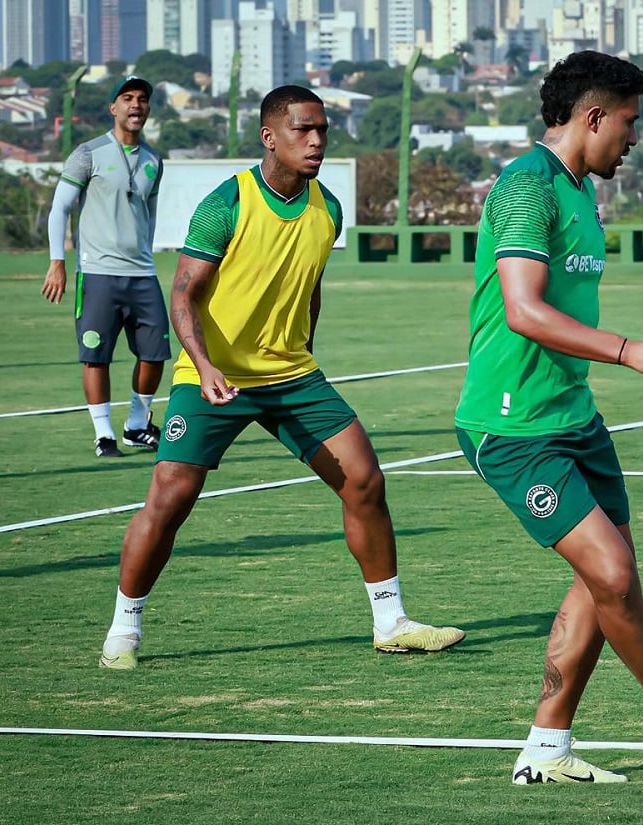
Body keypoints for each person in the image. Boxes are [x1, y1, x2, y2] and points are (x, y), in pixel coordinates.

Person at [97, 85, 464, 669]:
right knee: (171, 497)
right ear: (270, 137)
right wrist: (206, 367)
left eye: (322, 130)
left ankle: (391, 622)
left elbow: (308, 285)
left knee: (364, 479)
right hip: (214, 376)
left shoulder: (329, 208)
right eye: (302, 129)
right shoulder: (227, 203)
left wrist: (305, 352)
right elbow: (183, 295)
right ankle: (124, 628)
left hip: (292, 375)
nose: (316, 140)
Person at [454, 51, 643, 790]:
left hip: (575, 420)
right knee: (612, 573)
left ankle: (545, 748)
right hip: (511, 429)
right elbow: (523, 310)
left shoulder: (578, 190)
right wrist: (629, 350)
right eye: (629, 123)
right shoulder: (523, 188)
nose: (634, 138)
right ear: (593, 116)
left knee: (602, 583)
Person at [42, 75, 169, 458]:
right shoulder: (89, 153)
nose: (136, 105)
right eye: (127, 98)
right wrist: (57, 262)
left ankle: (135, 424)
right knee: (95, 354)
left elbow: (150, 215)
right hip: (97, 273)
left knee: (155, 354)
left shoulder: (153, 160)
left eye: (142, 99)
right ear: (113, 107)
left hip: (142, 274)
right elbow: (59, 208)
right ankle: (104, 435)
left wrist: (145, 254)